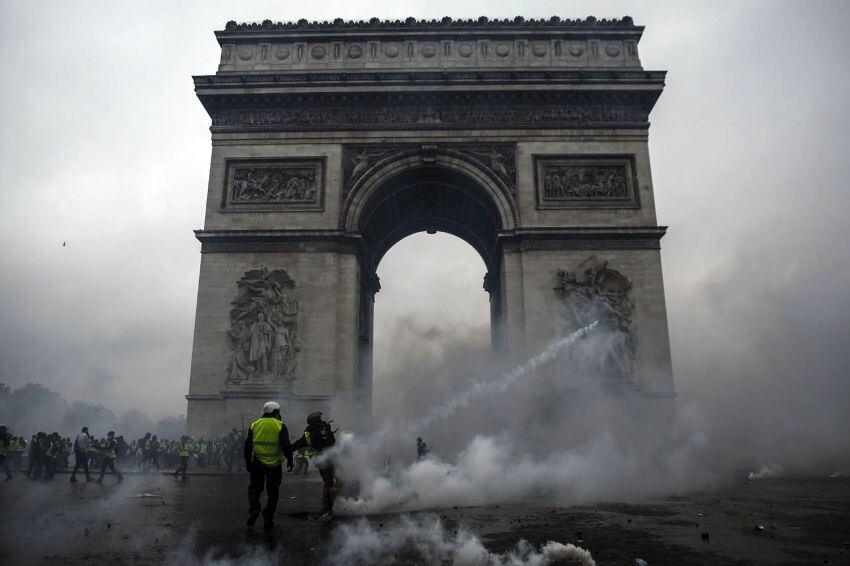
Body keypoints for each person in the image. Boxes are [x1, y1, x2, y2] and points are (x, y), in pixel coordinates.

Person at [243, 401, 293, 530]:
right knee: (273, 491)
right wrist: (290, 460)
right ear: (275, 412)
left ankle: (254, 508)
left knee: (254, 489)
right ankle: (268, 517)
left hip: (257, 462)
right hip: (275, 464)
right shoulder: (280, 425)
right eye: (279, 412)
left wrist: (248, 462)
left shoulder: (254, 424)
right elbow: (285, 445)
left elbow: (247, 446)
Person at [292, 411, 340, 518]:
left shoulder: (308, 433)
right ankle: (329, 506)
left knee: (328, 483)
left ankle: (326, 507)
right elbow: (332, 443)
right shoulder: (325, 428)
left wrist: (286, 449)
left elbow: (297, 444)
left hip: (321, 462)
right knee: (339, 480)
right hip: (332, 459)